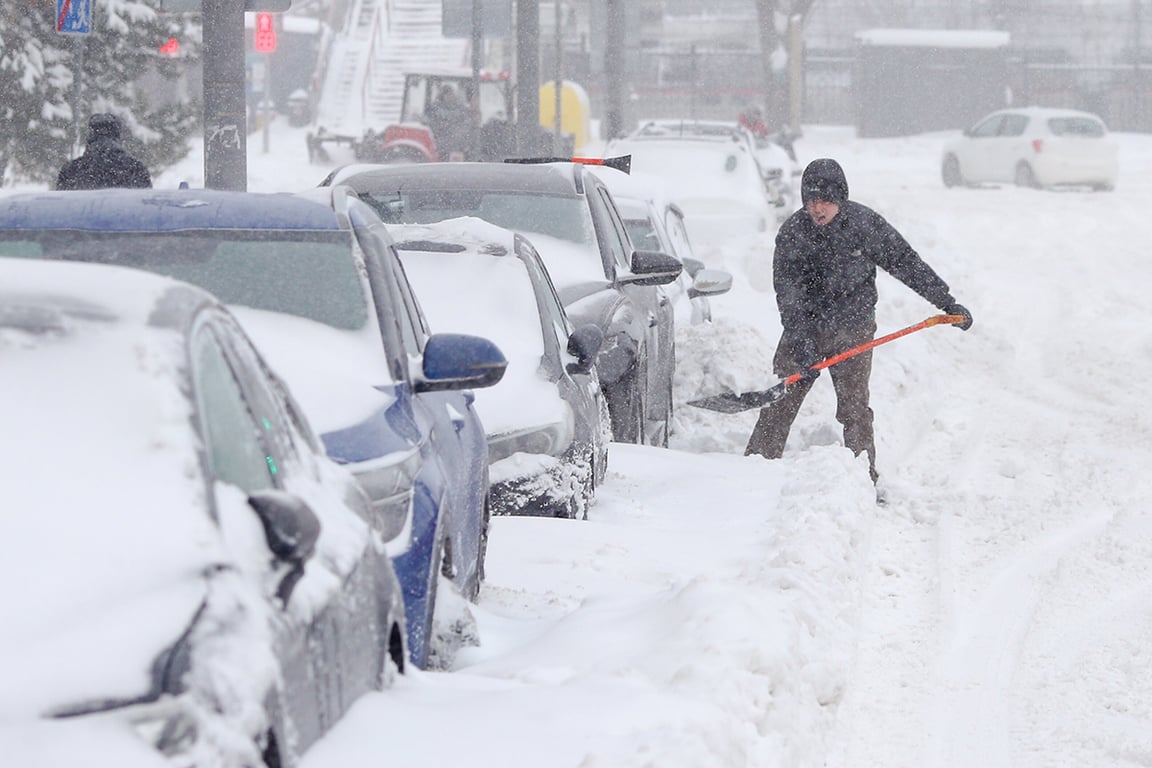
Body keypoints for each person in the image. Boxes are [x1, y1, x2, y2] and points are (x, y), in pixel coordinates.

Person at [744, 158, 972, 487]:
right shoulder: (793, 234)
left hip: (854, 328)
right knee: (781, 400)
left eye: (824, 200)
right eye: (810, 200)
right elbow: (788, 294)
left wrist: (946, 302)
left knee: (854, 408)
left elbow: (906, 263)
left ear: (840, 198)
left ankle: (862, 481)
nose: (816, 208)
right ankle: (753, 472)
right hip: (804, 326)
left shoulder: (864, 226)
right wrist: (803, 341)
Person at [56, 113, 152, 191]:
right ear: (118, 136)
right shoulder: (135, 169)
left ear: (90, 136)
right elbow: (146, 207)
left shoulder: (71, 170)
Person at [424, 84, 472, 161]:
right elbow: (434, 126)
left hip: (458, 143)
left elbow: (466, 123)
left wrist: (459, 133)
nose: (450, 97)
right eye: (447, 95)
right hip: (441, 144)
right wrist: (447, 129)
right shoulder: (436, 109)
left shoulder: (461, 108)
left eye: (451, 94)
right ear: (443, 96)